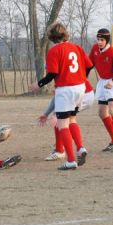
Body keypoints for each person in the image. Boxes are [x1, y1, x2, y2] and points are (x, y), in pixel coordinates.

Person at [30, 22, 93, 170]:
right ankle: (80, 148)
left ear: (51, 37)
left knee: (62, 124)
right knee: (72, 119)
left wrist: (38, 85)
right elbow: (89, 65)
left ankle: (71, 160)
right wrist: (81, 77)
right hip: (80, 88)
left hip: (66, 89)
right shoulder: (76, 47)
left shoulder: (54, 51)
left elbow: (52, 74)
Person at [88, 28, 113, 152]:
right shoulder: (95, 49)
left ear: (107, 40)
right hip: (102, 82)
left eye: (102, 40)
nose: (99, 42)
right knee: (102, 113)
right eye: (98, 39)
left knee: (112, 108)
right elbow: (89, 65)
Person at [39, 79, 94, 161]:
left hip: (78, 93)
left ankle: (60, 151)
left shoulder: (59, 71)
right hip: (86, 92)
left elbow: (58, 96)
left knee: (59, 117)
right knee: (69, 118)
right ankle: (80, 148)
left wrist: (46, 114)